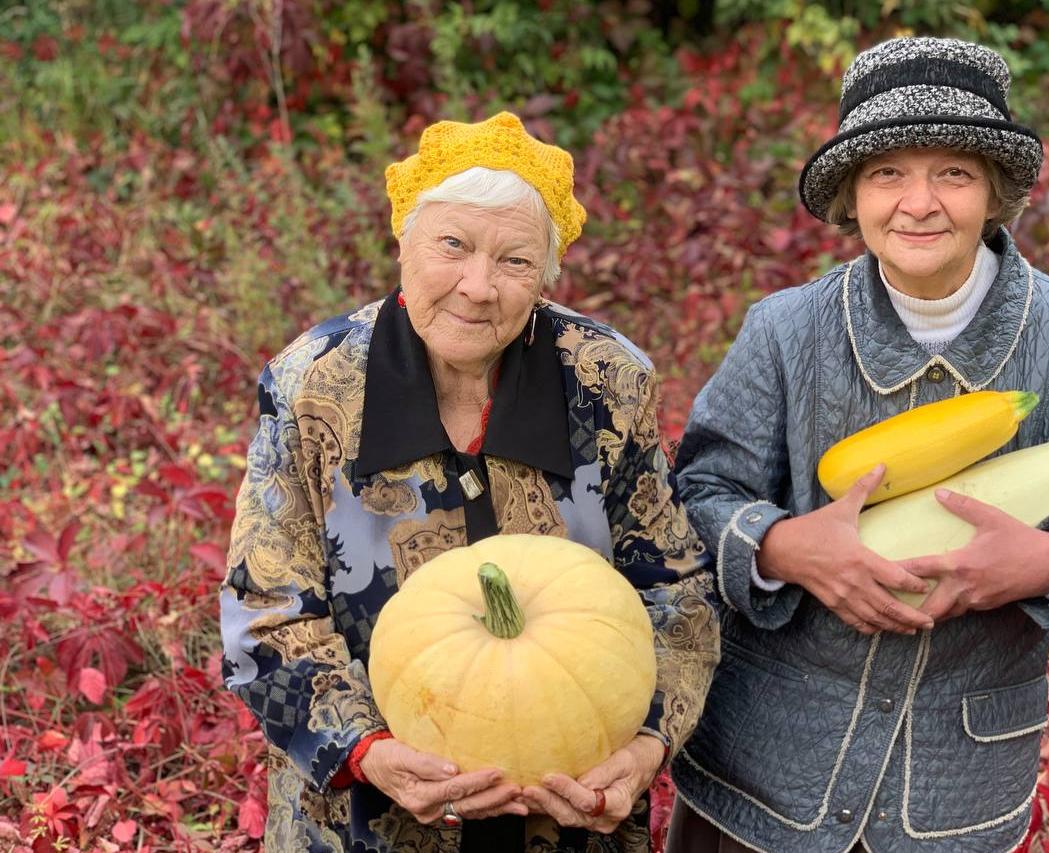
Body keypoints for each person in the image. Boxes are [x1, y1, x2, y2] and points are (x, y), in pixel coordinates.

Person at [667, 37, 1049, 853]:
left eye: (952, 172)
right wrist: (783, 546)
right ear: (853, 192)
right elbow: (695, 498)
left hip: (955, 793)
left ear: (995, 191)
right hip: (763, 778)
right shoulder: (785, 333)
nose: (918, 202)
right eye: (888, 172)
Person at [219, 111, 720, 852]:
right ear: (404, 242)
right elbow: (265, 609)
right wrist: (368, 751)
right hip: (368, 825)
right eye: (451, 245)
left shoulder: (606, 381)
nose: (478, 286)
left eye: (515, 261)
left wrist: (645, 746)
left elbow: (677, 595)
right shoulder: (313, 387)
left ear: (546, 277)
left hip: (570, 816)